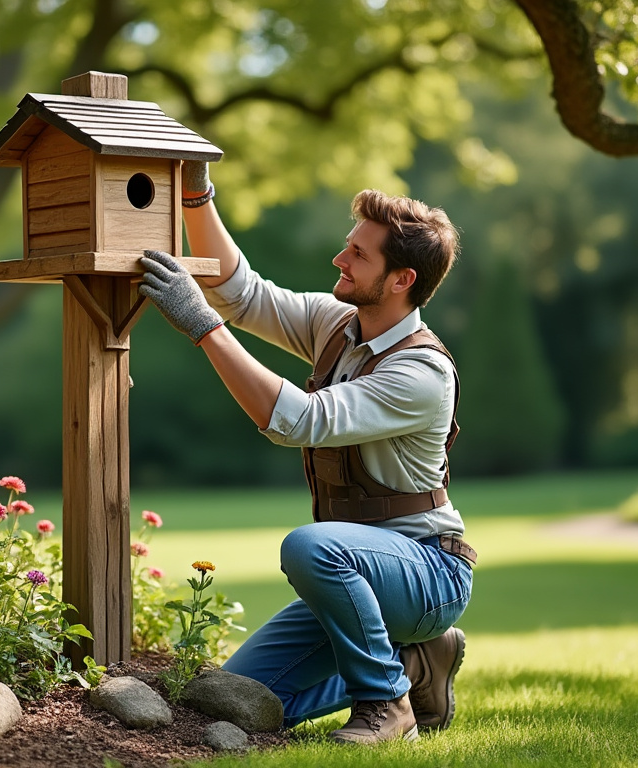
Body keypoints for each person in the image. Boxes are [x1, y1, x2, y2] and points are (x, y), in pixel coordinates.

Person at [138, 161, 473, 744]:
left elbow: (298, 420)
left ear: (402, 280)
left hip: (427, 572)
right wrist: (196, 194)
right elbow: (242, 294)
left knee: (308, 545)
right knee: (235, 701)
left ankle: (386, 706)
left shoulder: (422, 373)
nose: (340, 259)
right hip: (354, 575)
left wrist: (202, 326)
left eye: (359, 254)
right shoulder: (337, 325)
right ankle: (415, 665)